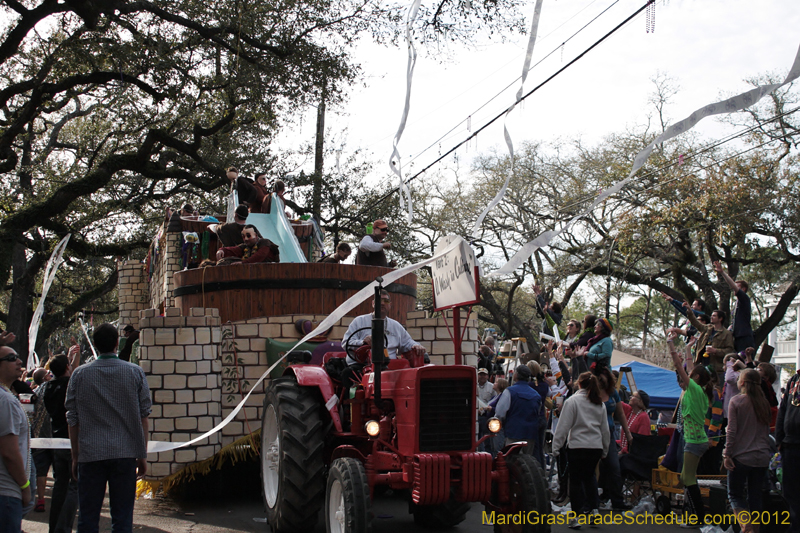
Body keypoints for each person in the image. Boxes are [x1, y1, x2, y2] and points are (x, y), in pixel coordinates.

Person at [65, 323, 152, 533]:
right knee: (122, 519)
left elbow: (72, 419)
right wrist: (141, 453)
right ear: (116, 343)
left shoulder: (79, 375)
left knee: (87, 518)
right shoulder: (135, 372)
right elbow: (143, 417)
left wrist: (75, 455)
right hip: (124, 454)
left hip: (90, 454)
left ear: (94, 344)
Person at [551, 372, 609, 529]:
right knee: (590, 478)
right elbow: (605, 430)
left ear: (579, 384)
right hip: (595, 447)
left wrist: (556, 447)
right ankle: (594, 510)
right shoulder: (599, 404)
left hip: (577, 446)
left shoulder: (572, 402)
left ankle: (576, 516)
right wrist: (605, 449)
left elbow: (563, 427)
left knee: (575, 481)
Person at [668, 333, 712, 527]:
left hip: (694, 440)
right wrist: (688, 348)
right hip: (695, 438)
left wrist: (670, 343)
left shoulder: (693, 389)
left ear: (696, 378)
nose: (688, 374)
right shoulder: (699, 390)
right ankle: (694, 515)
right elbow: (688, 366)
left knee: (687, 478)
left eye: (691, 374)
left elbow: (680, 366)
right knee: (687, 478)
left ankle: (698, 517)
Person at [723, 368, 772, 533]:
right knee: (755, 497)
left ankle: (747, 528)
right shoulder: (764, 403)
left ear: (742, 382)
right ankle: (755, 529)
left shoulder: (736, 401)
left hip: (742, 457)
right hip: (763, 457)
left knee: (735, 495)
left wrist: (727, 454)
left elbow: (731, 431)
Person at [40, 355, 78, 533]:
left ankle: (54, 526)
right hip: (72, 441)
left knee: (60, 485)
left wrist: (71, 358)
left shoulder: (48, 387)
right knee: (74, 485)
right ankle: (63, 528)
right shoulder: (71, 386)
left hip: (56, 440)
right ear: (67, 367)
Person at [0, 346, 33, 533]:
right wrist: (24, 485)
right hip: (6, 492)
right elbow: (9, 452)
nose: (19, 361)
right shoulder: (5, 401)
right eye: (12, 358)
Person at [595, 366, 633, 511]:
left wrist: (628, 433)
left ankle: (617, 501)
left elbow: (621, 414)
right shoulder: (592, 393)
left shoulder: (612, 394)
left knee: (614, 466)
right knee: (592, 467)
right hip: (593, 434)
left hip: (609, 434)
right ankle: (592, 500)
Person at [494, 365, 542, 452]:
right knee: (527, 461)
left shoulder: (509, 391)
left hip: (513, 432)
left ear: (516, 375)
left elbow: (500, 413)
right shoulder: (536, 395)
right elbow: (538, 413)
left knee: (511, 461)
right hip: (530, 434)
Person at [776, 368, 800, 533]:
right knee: (790, 492)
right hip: (789, 445)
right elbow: (782, 410)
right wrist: (779, 439)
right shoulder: (794, 380)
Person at [714, 261, 755, 352]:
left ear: (743, 289)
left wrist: (722, 272)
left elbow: (731, 284)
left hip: (744, 336)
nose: (733, 289)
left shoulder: (744, 299)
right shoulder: (736, 303)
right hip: (737, 336)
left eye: (737, 287)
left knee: (744, 359)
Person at [684, 304, 735, 376]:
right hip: (701, 363)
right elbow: (695, 323)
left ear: (720, 319)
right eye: (711, 315)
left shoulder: (727, 334)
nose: (711, 317)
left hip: (715, 368)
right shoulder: (708, 328)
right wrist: (689, 311)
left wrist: (715, 351)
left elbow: (729, 351)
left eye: (714, 316)